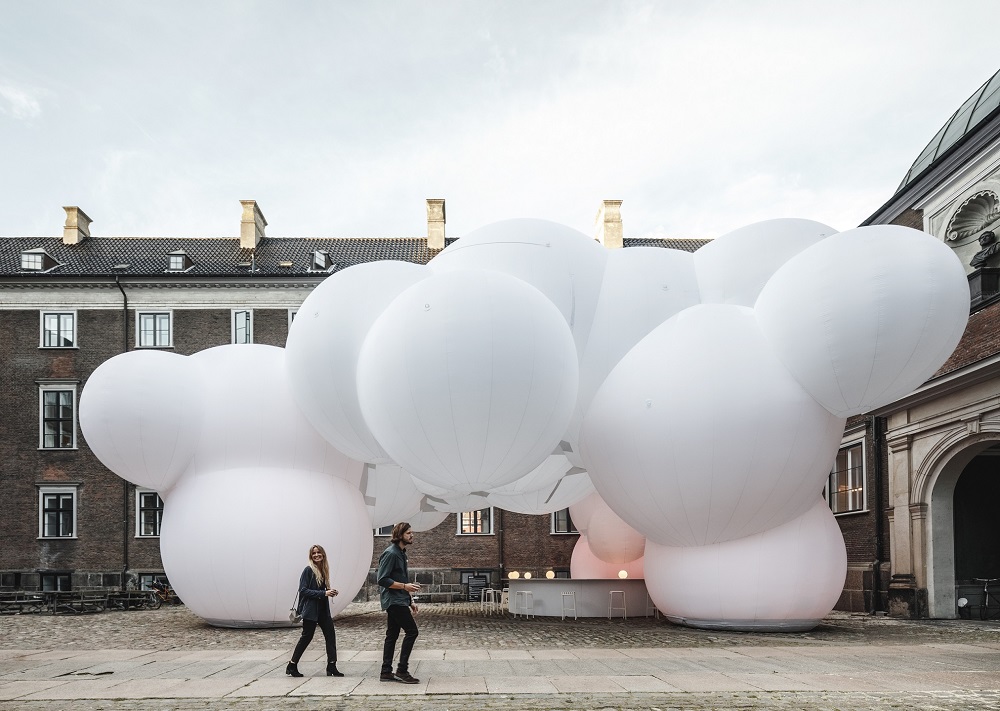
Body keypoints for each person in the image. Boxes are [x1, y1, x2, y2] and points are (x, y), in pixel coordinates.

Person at [285, 544, 343, 678]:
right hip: (311, 611)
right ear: (311, 556)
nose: (316, 555)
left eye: (318, 553)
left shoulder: (323, 570)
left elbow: (321, 591)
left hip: (323, 611)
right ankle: (292, 665)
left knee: (330, 636)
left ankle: (332, 666)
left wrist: (330, 592)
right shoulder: (308, 570)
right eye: (314, 553)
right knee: (306, 637)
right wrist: (324, 593)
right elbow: (303, 590)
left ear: (323, 554)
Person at [377, 521, 421, 684]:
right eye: (409, 533)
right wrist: (405, 587)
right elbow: (382, 579)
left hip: (400, 599)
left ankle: (386, 671)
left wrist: (410, 601)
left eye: (411, 532)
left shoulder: (402, 553)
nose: (412, 535)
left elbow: (401, 578)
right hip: (393, 601)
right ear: (400, 535)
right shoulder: (391, 553)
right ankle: (402, 670)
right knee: (412, 631)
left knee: (392, 635)